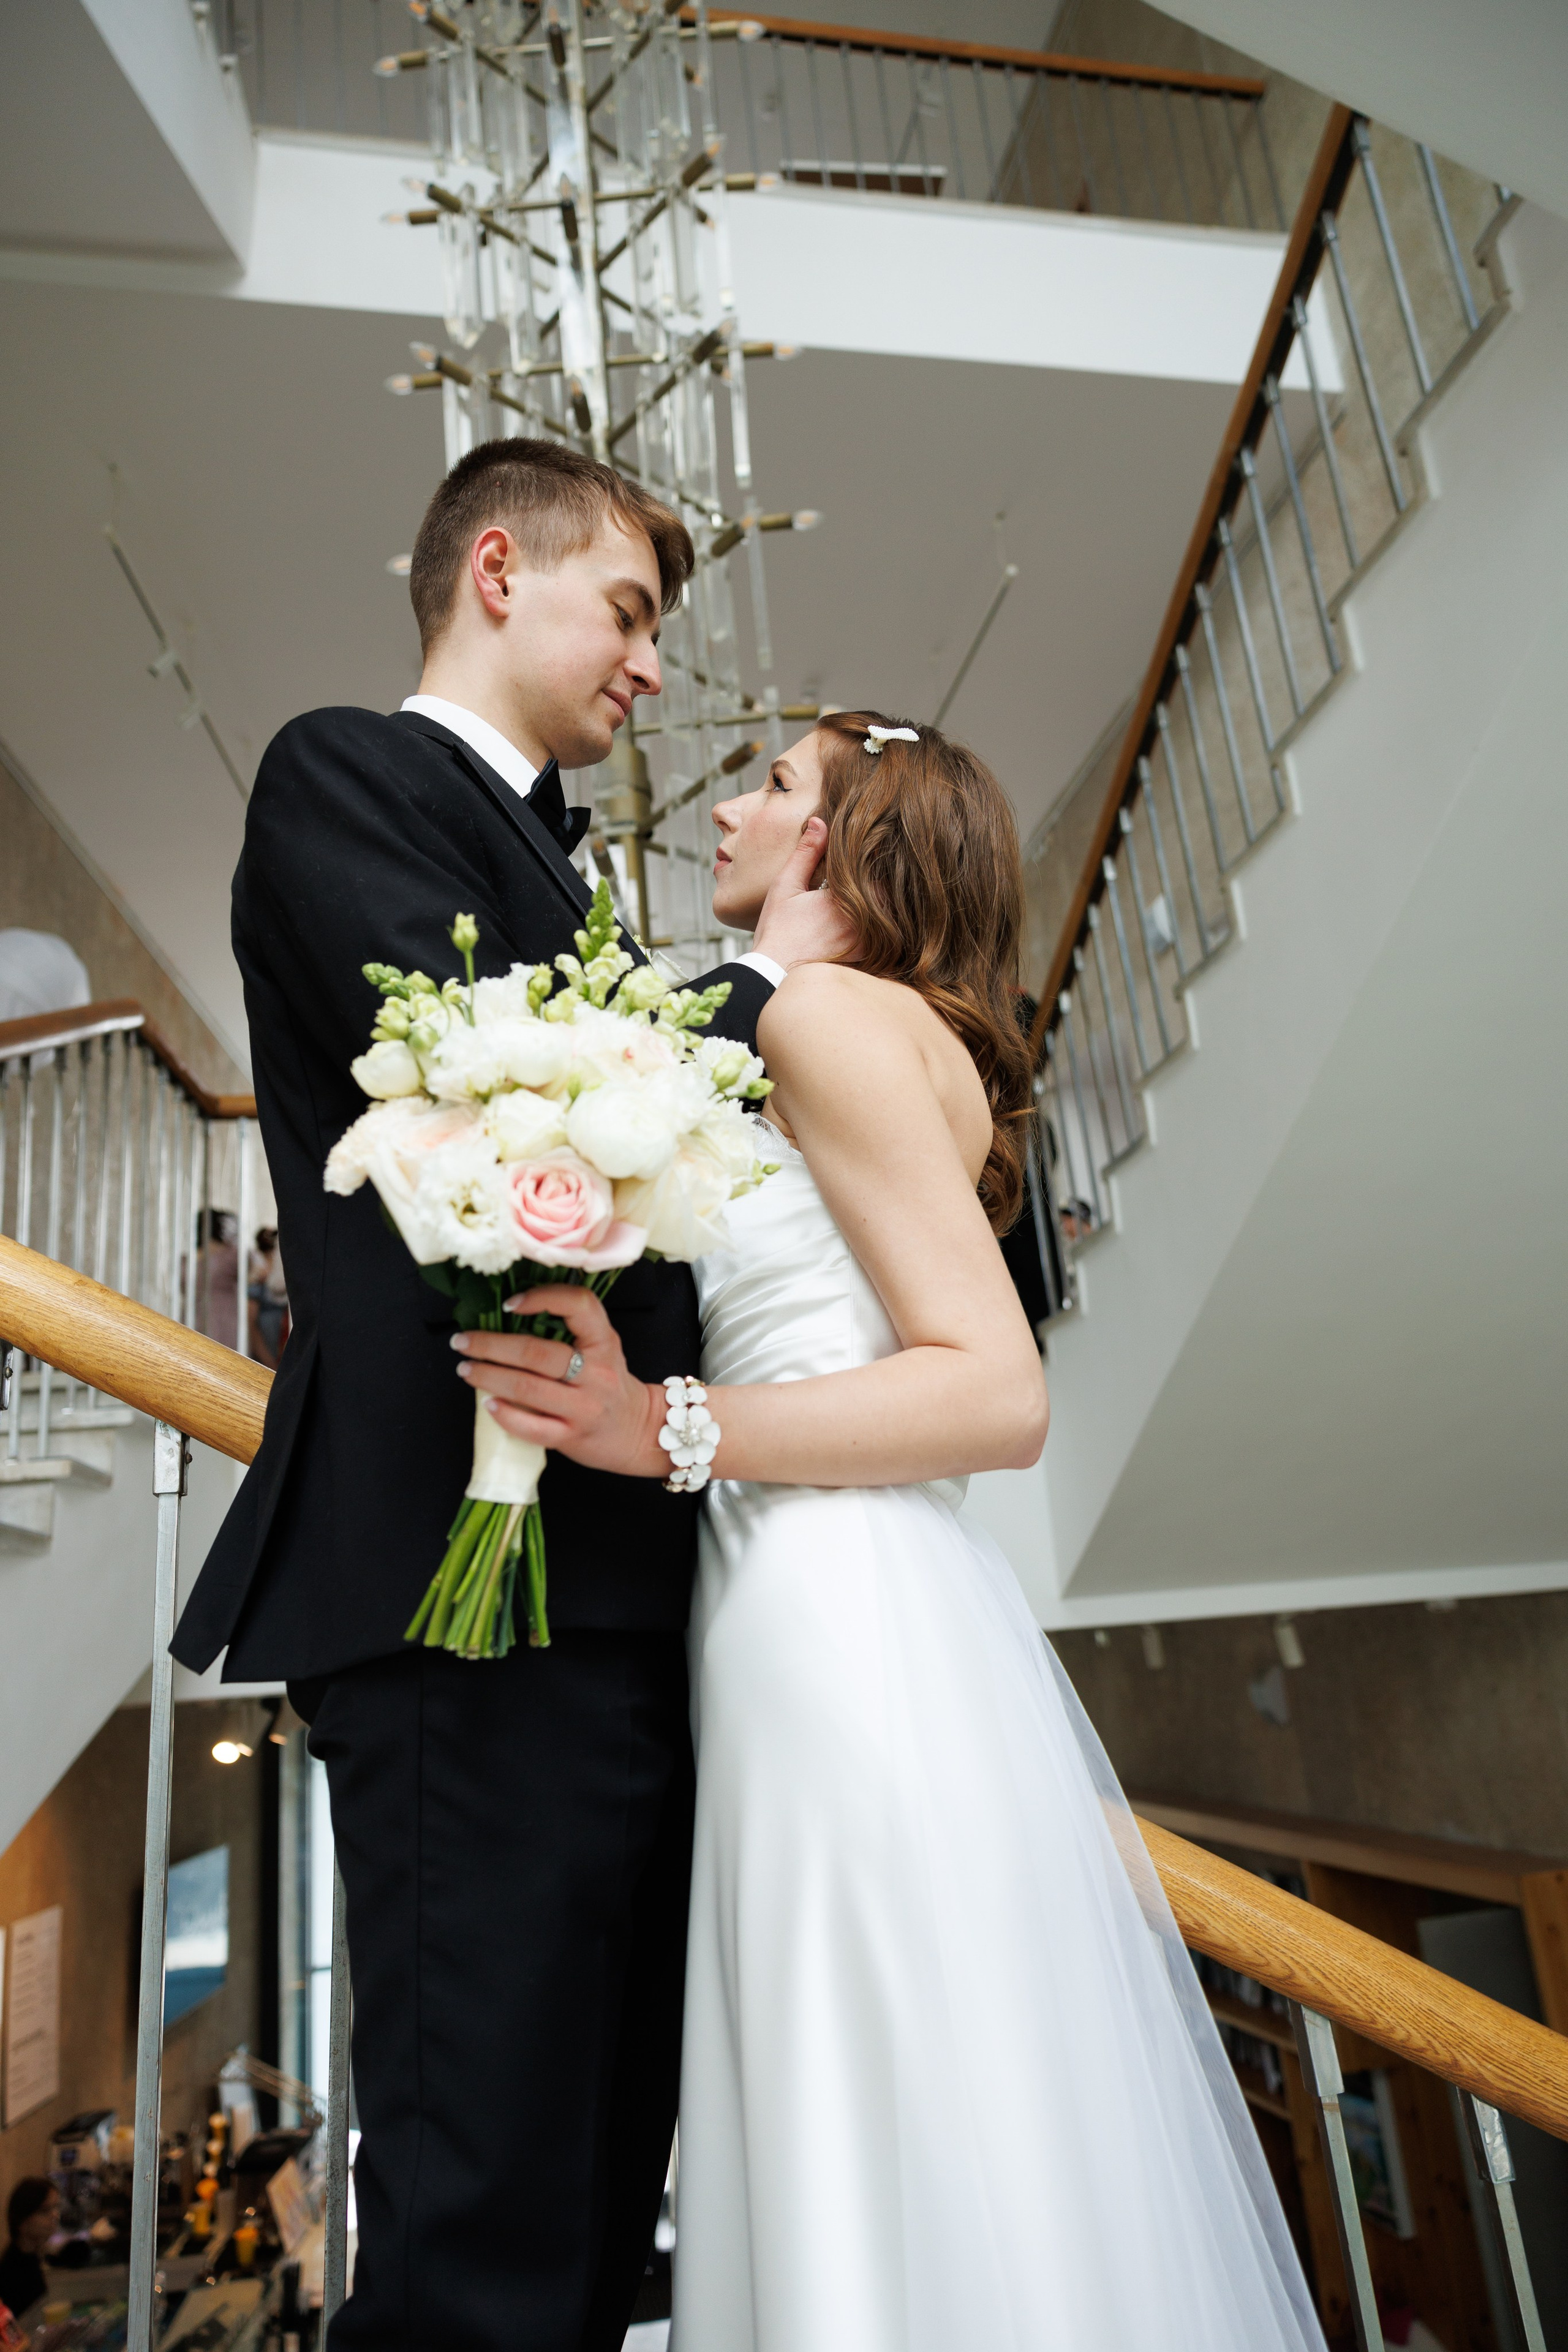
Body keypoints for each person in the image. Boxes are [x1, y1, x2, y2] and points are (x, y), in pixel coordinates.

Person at [458, 715, 1329, 2351]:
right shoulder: (858, 1029)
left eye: (774, 784)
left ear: (843, 848)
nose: (727, 805)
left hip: (831, 1604)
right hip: (845, 1597)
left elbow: (998, 1394)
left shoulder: (830, 1016)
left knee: (860, 2074)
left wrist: (667, 1427)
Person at [169, 438, 848, 2352]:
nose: (651, 665)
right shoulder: (344, 774)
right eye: (628, 610)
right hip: (463, 1595)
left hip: (624, 1581)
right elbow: (477, 1060)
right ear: (494, 565)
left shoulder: (570, 874)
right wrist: (771, 978)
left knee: (591, 2208)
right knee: (478, 2227)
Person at [0, 2179, 58, 2323]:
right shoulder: (13, 2270)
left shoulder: (30, 2257)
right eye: (45, 2211)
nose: (55, 2216)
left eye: (56, 2208)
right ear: (23, 2220)